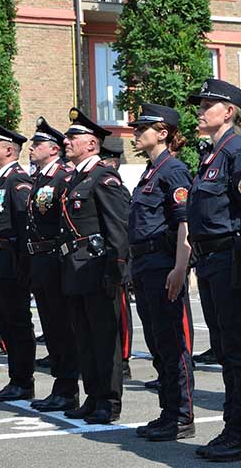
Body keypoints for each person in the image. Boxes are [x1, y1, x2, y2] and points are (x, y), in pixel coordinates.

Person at [186, 79, 241, 462]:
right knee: (225, 349)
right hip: (209, 261)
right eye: (200, 103)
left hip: (232, 259)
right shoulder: (211, 155)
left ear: (230, 112)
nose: (201, 110)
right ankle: (232, 426)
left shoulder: (239, 153)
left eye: (209, 104)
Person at [127, 103, 195, 441]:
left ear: (163, 133)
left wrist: (180, 269)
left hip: (162, 265)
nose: (136, 134)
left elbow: (185, 223)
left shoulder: (173, 171)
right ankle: (168, 412)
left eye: (143, 129)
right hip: (145, 266)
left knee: (172, 343)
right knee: (157, 343)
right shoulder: (151, 172)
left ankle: (182, 415)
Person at [58, 107, 129, 424]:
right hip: (76, 269)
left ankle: (110, 401)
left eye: (73, 136)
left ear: (92, 144)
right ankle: (93, 395)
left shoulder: (104, 177)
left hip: (99, 268)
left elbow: (118, 227)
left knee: (104, 339)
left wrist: (116, 270)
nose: (66, 140)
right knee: (84, 338)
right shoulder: (76, 178)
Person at [25, 117, 80, 412]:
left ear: (53, 149)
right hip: (40, 261)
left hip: (55, 260)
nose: (31, 148)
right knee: (51, 326)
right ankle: (61, 386)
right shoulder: (40, 178)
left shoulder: (62, 177)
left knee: (62, 328)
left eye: (37, 144)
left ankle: (68, 388)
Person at [0, 122, 36, 401]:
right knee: (5, 322)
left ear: (9, 150)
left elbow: (24, 224)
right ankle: (16, 378)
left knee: (17, 323)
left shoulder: (17, 180)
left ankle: (23, 381)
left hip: (12, 263)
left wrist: (23, 266)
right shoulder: (0, 180)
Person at [99, 144, 134, 381]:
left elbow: (120, 227)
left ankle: (123, 359)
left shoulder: (115, 187)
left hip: (120, 257)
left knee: (120, 312)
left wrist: (121, 262)